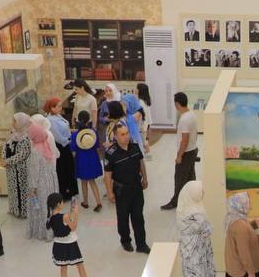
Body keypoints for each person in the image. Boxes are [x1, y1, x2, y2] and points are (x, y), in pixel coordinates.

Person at [105, 122, 150, 253]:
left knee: (138, 217)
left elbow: (141, 163)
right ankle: (125, 241)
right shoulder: (111, 153)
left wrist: (145, 178)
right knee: (123, 218)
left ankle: (141, 244)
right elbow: (107, 175)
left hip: (136, 188)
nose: (126, 136)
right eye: (122, 134)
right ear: (115, 136)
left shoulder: (135, 147)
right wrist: (109, 192)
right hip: (121, 190)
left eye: (127, 133)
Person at [46, 194, 99, 277]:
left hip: (58, 245)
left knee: (63, 267)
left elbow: (62, 225)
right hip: (70, 244)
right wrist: (76, 214)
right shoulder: (65, 216)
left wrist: (71, 214)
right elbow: (73, 227)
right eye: (62, 202)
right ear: (58, 204)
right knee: (80, 265)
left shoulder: (50, 218)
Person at [176, 182, 219, 277]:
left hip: (196, 249)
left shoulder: (187, 206)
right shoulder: (192, 213)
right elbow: (208, 228)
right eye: (200, 191)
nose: (203, 193)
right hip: (194, 252)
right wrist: (207, 227)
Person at [224, 192, 259, 277]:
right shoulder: (240, 226)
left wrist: (253, 224)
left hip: (235, 269)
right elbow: (243, 252)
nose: (249, 206)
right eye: (247, 203)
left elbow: (243, 233)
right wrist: (250, 272)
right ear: (241, 205)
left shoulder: (235, 219)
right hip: (243, 273)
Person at [161, 92, 198, 210]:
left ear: (177, 104)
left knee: (180, 179)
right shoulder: (192, 114)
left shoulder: (184, 119)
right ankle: (193, 198)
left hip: (186, 153)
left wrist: (179, 156)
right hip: (193, 150)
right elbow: (195, 134)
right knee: (190, 177)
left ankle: (175, 201)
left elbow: (184, 140)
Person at [26, 115, 59, 241]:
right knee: (50, 207)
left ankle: (43, 233)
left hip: (40, 184)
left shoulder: (35, 151)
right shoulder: (46, 146)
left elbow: (34, 171)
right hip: (50, 181)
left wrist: (32, 188)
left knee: (41, 208)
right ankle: (52, 231)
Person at [44, 97, 76, 199]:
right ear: (52, 108)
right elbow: (58, 137)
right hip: (61, 147)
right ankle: (64, 192)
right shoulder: (50, 120)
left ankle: (71, 190)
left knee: (69, 168)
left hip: (66, 144)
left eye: (60, 106)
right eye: (58, 106)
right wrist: (68, 141)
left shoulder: (58, 116)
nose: (61, 108)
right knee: (62, 170)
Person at [71, 112, 104, 211]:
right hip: (92, 157)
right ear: (88, 120)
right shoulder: (93, 133)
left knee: (84, 181)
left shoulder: (75, 135)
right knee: (92, 181)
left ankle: (85, 202)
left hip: (81, 159)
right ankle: (98, 202)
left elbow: (74, 152)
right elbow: (98, 147)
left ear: (78, 120)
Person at [3, 113, 32, 219]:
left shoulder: (27, 137)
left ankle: (23, 211)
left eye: (15, 121)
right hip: (11, 169)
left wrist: (8, 161)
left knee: (22, 189)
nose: (13, 123)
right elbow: (5, 146)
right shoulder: (12, 134)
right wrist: (4, 159)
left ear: (21, 122)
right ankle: (14, 209)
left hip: (21, 169)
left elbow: (23, 153)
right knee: (13, 189)